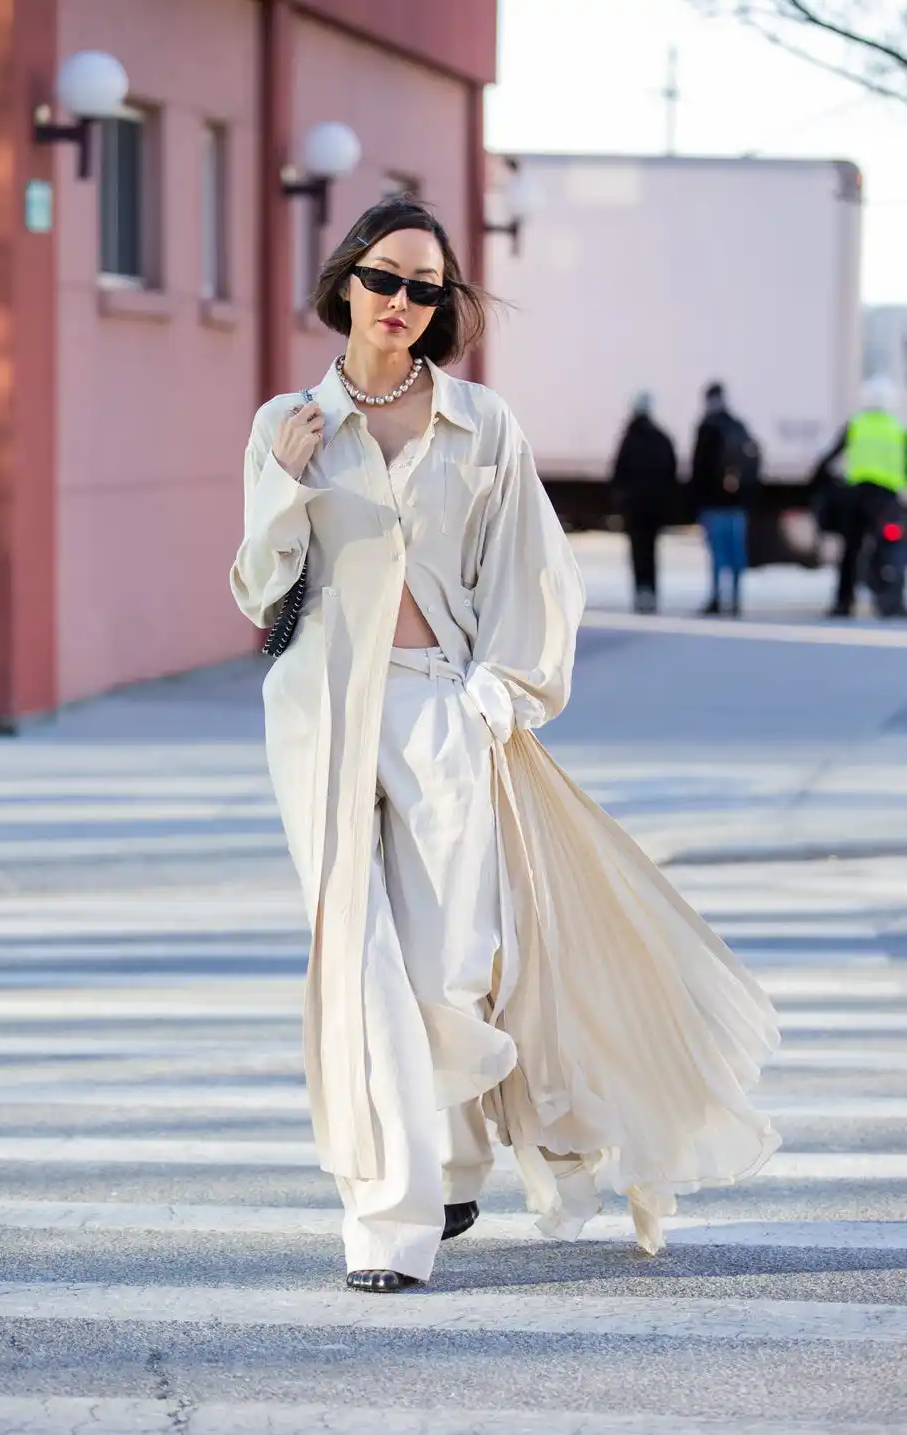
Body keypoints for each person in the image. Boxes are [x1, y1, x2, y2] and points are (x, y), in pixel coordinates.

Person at [230, 196, 780, 1295]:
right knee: (361, 964)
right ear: (344, 282)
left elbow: (534, 572)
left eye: (424, 288)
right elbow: (256, 589)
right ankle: (389, 1223)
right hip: (321, 715)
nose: (399, 302)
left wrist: (499, 695)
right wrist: (285, 484)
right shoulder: (288, 422)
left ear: (444, 306)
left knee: (451, 963)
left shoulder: (483, 423)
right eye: (383, 279)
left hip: (443, 703)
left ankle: (461, 1151)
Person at [811, 375, 907, 618]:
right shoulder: (897, 430)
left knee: (851, 550)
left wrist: (823, 485)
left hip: (855, 497)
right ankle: (891, 601)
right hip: (886, 499)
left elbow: (828, 458)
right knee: (891, 549)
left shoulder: (856, 424)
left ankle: (843, 602)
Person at [689, 381, 761, 618]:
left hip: (714, 503)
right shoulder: (737, 425)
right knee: (736, 553)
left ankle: (718, 597)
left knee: (718, 554)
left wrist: (694, 500)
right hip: (737, 504)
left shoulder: (707, 427)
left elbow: (698, 467)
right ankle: (736, 598)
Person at [610, 392, 678, 614]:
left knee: (637, 551)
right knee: (651, 550)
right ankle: (653, 593)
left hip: (635, 508)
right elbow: (671, 473)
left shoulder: (629, 439)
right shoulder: (662, 438)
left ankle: (641, 592)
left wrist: (621, 500)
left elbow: (618, 473)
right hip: (655, 507)